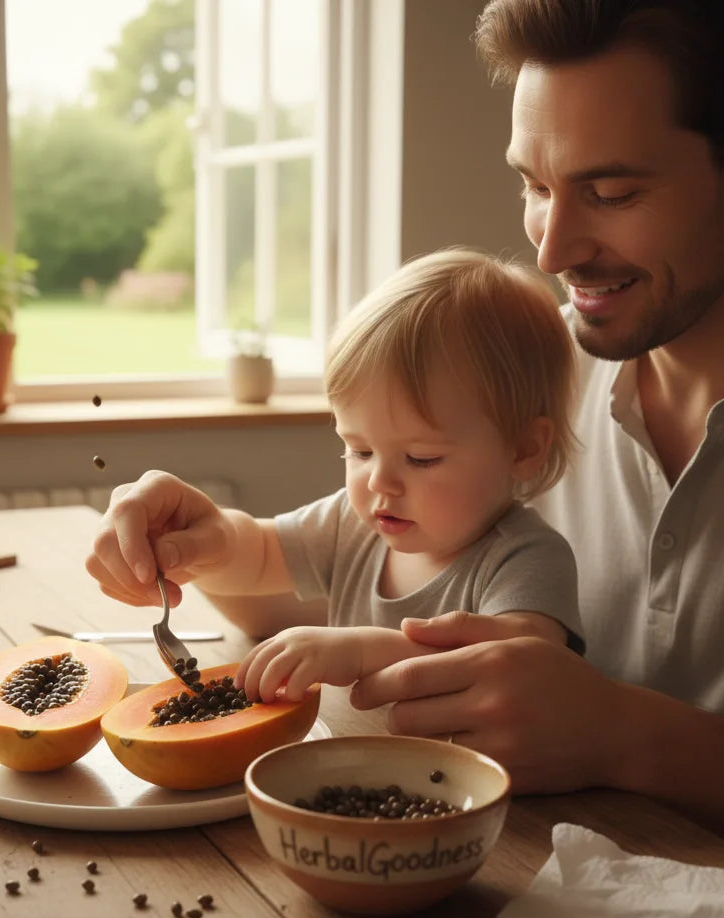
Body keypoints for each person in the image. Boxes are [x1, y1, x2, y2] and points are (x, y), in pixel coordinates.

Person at [348, 0, 724, 851]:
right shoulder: (530, 381)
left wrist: (620, 733)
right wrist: (200, 541)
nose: (551, 248)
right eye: (535, 187)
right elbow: (342, 559)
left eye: (610, 192)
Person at [88, 247, 584, 703]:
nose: (378, 483)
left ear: (523, 448)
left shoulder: (527, 559)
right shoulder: (355, 522)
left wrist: (362, 652)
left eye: (422, 458)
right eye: (360, 450)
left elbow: (521, 672)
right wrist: (197, 546)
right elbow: (257, 554)